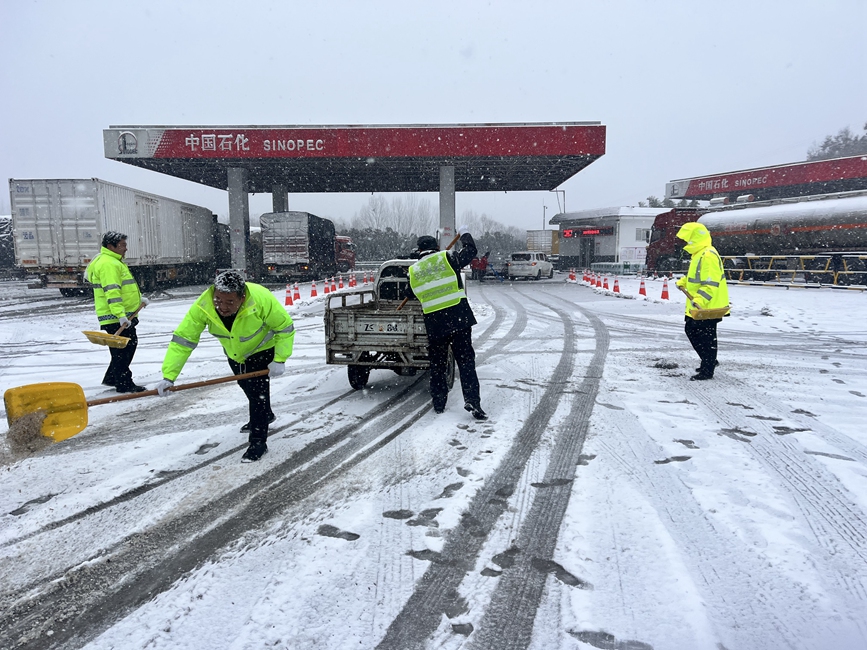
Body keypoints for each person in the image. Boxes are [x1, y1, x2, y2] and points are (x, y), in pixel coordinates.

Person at [155, 271, 295, 462]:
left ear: (242, 297)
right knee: (247, 387)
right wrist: (168, 376)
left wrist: (280, 359)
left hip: (262, 350)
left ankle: (258, 442)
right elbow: (183, 340)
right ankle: (266, 414)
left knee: (257, 395)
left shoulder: (260, 299)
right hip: (235, 354)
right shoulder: (204, 306)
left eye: (230, 302)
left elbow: (285, 328)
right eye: (218, 300)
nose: (222, 307)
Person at [407, 228, 487, 420]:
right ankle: (472, 401)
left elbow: (410, 294)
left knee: (438, 365)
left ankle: (439, 403)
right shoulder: (447, 258)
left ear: (419, 251)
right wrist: (466, 235)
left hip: (435, 324)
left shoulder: (414, 270)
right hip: (458, 319)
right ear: (436, 247)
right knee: (466, 362)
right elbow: (471, 251)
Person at [84, 231, 149, 393]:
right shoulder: (109, 264)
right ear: (110, 246)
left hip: (122, 315)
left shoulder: (112, 261)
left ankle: (113, 377)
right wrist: (120, 316)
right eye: (122, 245)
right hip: (116, 317)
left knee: (122, 348)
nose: (125, 249)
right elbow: (112, 292)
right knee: (124, 349)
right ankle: (123, 383)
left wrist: (137, 302)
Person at [675, 222, 730, 381]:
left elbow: (711, 282)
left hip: (708, 305)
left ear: (695, 239)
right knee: (694, 332)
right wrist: (684, 282)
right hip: (700, 305)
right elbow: (697, 276)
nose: (686, 243)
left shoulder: (708, 255)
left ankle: (708, 369)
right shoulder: (699, 254)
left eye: (688, 240)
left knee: (706, 336)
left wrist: (699, 299)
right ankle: (709, 360)